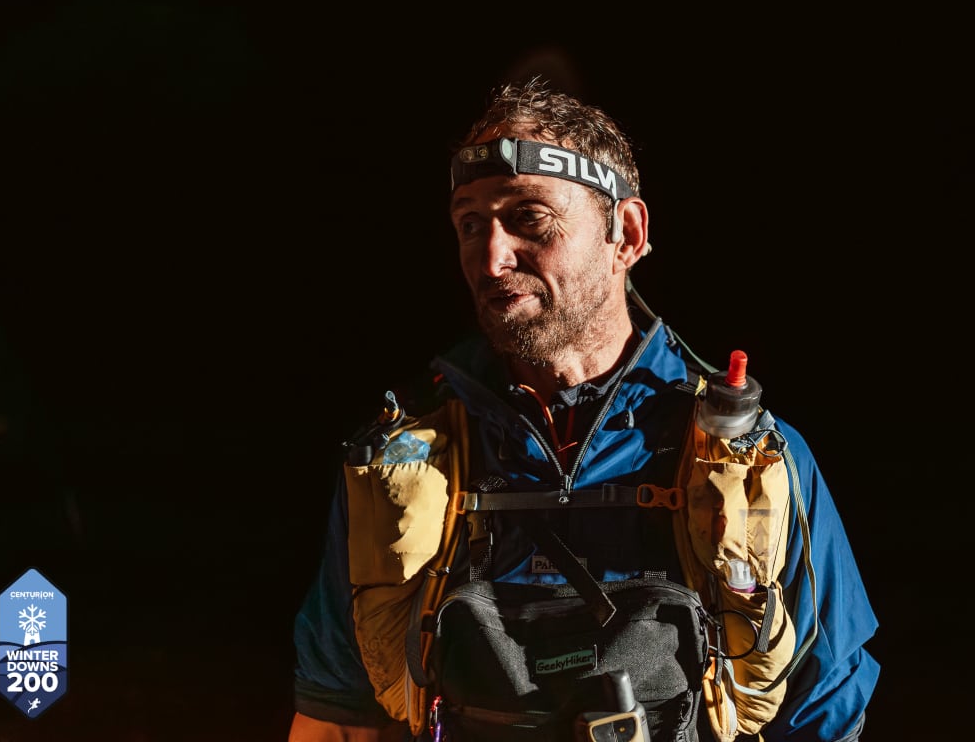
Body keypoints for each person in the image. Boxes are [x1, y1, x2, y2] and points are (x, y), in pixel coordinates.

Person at [288, 77, 879, 742]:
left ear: (625, 233)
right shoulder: (401, 464)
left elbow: (825, 714)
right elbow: (335, 719)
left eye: (529, 217)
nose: (491, 257)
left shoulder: (750, 461)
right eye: (470, 224)